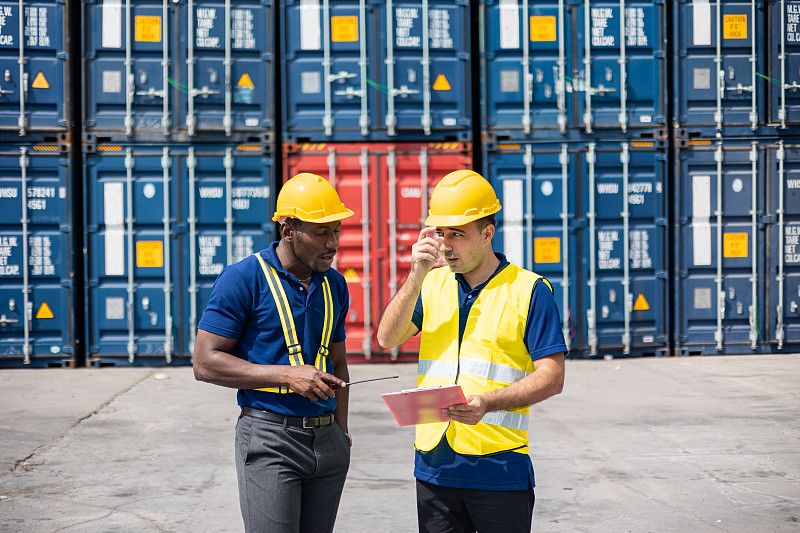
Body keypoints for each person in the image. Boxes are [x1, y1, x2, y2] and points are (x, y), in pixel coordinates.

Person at [377, 170, 567, 533]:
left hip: (498, 470)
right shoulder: (431, 284)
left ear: (487, 233)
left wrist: (487, 403)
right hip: (434, 468)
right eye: (441, 233)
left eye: (458, 234)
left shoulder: (530, 290)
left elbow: (552, 378)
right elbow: (387, 337)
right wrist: (415, 275)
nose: (446, 245)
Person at [193, 173, 354, 533]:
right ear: (288, 230)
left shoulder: (336, 284)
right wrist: (285, 374)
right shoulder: (243, 278)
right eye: (321, 232)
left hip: (328, 442)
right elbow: (204, 363)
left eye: (337, 230)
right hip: (270, 438)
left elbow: (339, 362)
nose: (333, 243)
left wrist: (341, 432)